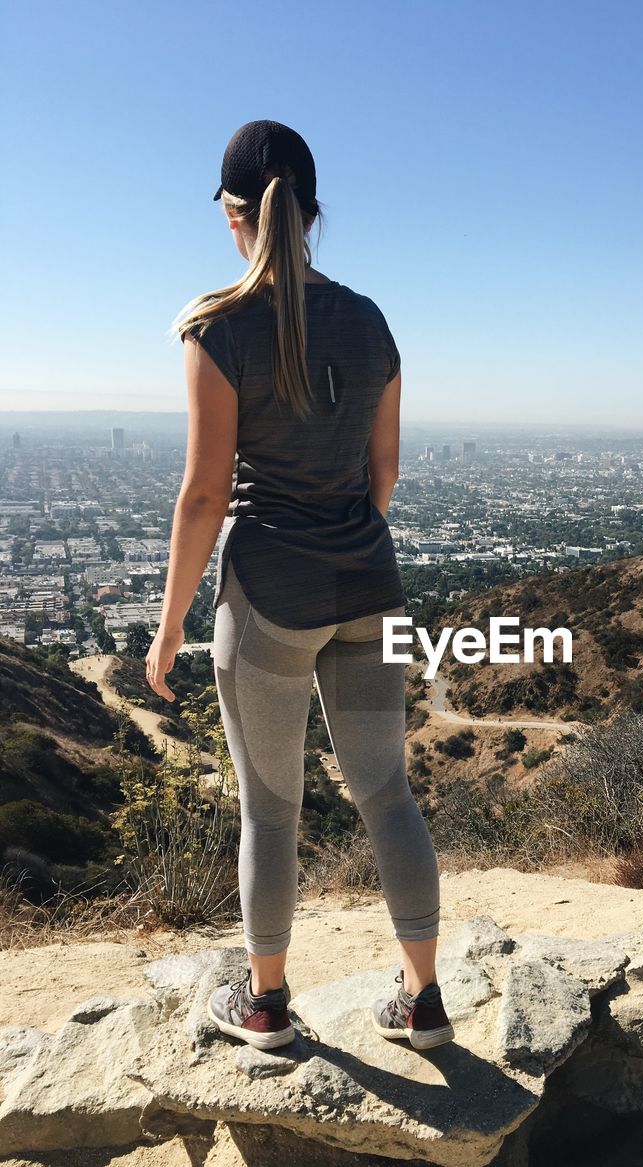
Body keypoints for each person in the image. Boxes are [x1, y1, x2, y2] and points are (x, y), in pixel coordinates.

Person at [145, 119, 454, 1053]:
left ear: (234, 217)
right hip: (369, 585)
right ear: (314, 212)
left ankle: (268, 1004)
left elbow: (204, 493)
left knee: (270, 811)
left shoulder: (217, 328)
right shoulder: (369, 323)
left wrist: (168, 631)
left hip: (270, 600)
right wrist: (346, 542)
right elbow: (384, 475)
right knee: (388, 793)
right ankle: (424, 1002)